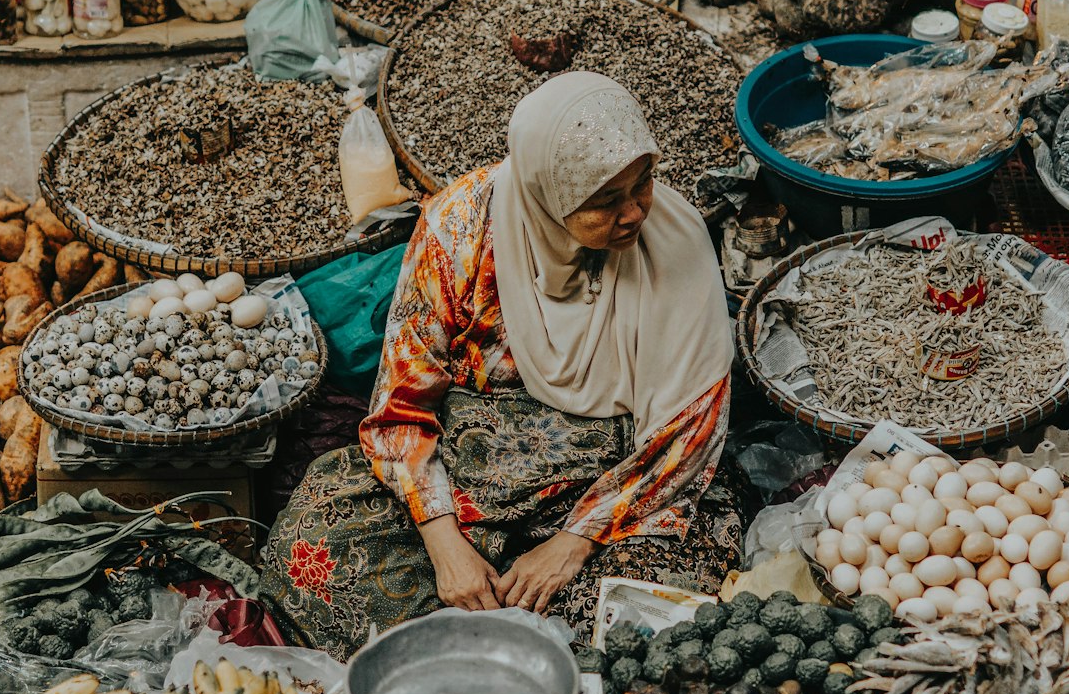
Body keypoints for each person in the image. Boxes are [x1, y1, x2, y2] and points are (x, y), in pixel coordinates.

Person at [262, 72, 745, 659]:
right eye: (605, 201)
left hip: (615, 469)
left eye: (642, 182)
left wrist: (576, 539)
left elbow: (693, 423)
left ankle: (502, 655)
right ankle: (473, 648)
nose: (635, 211)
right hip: (474, 457)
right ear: (549, 197)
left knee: (643, 613)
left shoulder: (674, 240)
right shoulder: (459, 234)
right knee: (314, 543)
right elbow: (400, 403)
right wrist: (444, 542)